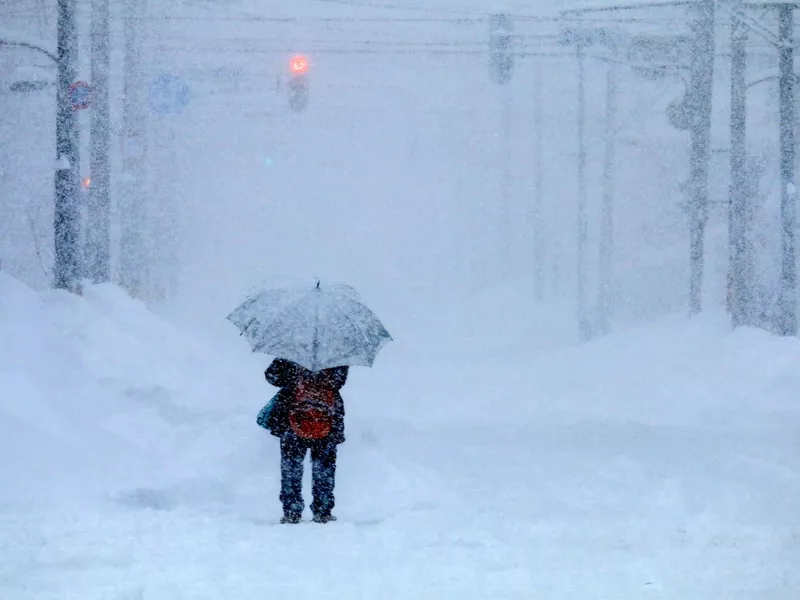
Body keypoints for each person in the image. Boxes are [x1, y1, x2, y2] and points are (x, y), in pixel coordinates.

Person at [264, 357, 348, 524]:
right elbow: (338, 382)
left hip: (293, 417)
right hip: (327, 418)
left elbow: (272, 376)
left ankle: (291, 511)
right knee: (324, 467)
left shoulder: (291, 351)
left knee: (291, 467)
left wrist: (293, 377)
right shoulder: (336, 354)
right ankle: (322, 511)